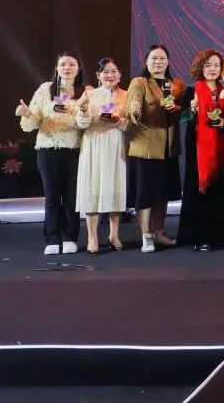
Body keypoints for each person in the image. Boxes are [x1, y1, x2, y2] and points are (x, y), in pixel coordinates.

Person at [15, 51, 86, 255]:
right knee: (52, 196)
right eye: (63, 64)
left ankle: (70, 237)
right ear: (57, 68)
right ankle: (52, 238)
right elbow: (31, 124)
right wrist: (27, 114)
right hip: (47, 149)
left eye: (71, 64)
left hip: (74, 150)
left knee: (71, 197)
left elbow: (86, 123)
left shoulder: (85, 92)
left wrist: (77, 112)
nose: (67, 68)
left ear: (79, 68)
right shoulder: (45, 89)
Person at [125, 44, 185, 253]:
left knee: (163, 192)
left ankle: (159, 232)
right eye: (154, 58)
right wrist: (134, 112)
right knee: (145, 194)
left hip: (168, 146)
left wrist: (177, 108)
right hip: (145, 146)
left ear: (168, 62)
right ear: (146, 62)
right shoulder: (139, 82)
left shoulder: (177, 85)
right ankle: (146, 236)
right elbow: (131, 110)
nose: (158, 62)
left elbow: (185, 113)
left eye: (162, 58)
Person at [177, 49, 224, 252]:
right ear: (200, 67)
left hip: (220, 145)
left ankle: (219, 236)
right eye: (208, 65)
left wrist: (223, 123)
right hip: (198, 146)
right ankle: (199, 237)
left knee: (218, 189)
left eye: (216, 65)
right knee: (199, 189)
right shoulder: (191, 90)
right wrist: (192, 110)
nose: (212, 69)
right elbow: (183, 118)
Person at [75, 58, 129, 254]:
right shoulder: (89, 94)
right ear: (98, 75)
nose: (110, 75)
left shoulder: (127, 95)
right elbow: (82, 124)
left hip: (115, 145)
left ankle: (114, 234)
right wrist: (83, 108)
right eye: (105, 72)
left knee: (115, 186)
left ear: (120, 74)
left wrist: (117, 120)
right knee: (93, 187)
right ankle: (92, 236)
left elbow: (130, 126)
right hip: (93, 145)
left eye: (113, 71)